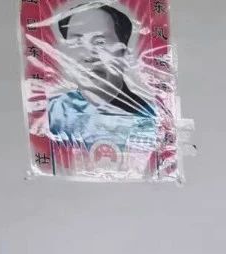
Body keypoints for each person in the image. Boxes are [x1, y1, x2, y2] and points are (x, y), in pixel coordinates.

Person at [46, 4, 157, 168]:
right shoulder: (54, 112)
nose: (88, 56)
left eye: (100, 42)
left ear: (124, 53)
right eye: (77, 43)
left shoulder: (149, 119)